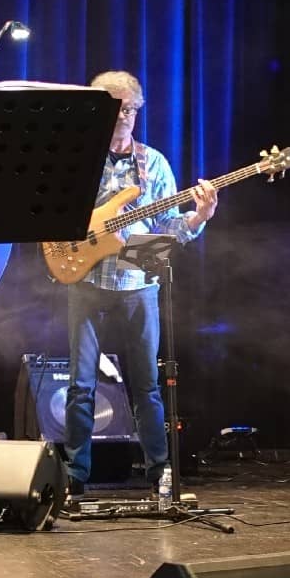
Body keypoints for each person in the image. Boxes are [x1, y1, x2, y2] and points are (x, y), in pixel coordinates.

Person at [60, 70, 217, 500]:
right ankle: (75, 475)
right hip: (87, 276)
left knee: (147, 383)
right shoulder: (78, 159)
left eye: (131, 109)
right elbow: (54, 213)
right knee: (81, 383)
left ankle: (159, 471)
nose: (125, 117)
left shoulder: (154, 164)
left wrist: (198, 218)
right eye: (116, 108)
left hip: (137, 279)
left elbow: (167, 230)